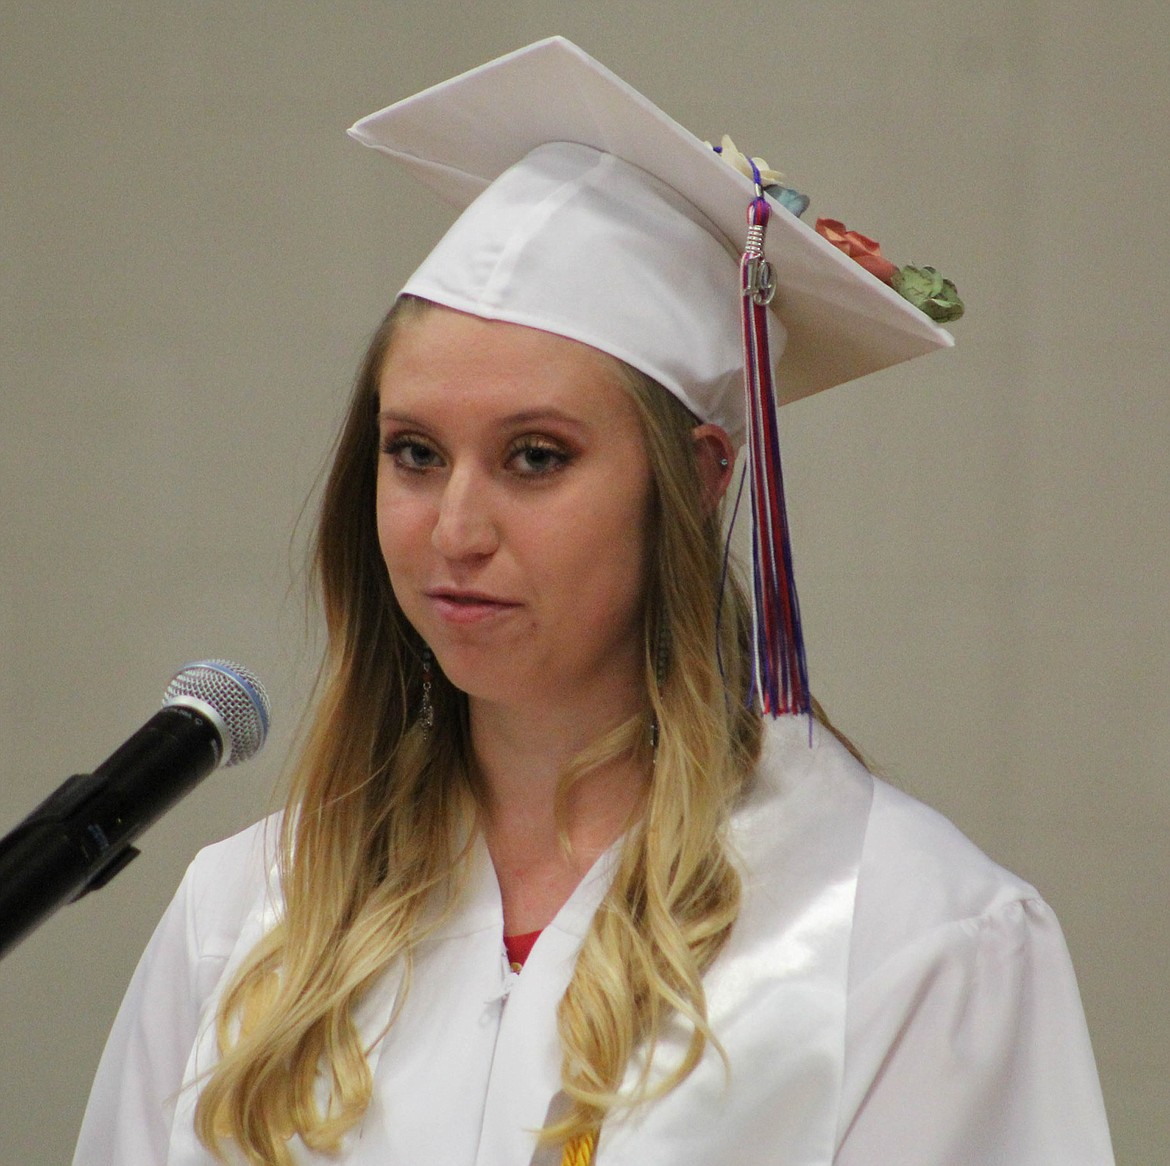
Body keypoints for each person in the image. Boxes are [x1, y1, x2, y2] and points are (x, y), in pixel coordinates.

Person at [74, 37, 1114, 1166]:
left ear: (702, 477)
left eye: (535, 456)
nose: (455, 528)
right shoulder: (249, 914)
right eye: (415, 452)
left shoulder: (907, 935)